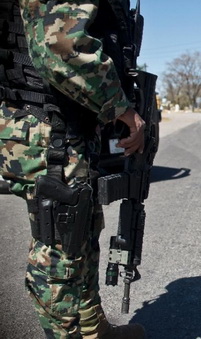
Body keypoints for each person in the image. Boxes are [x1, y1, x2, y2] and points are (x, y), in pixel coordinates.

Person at [0, 0, 147, 337]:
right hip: (46, 119)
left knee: (81, 231)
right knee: (59, 250)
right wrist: (121, 109)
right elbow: (60, 45)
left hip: (66, 121)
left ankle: (93, 330)